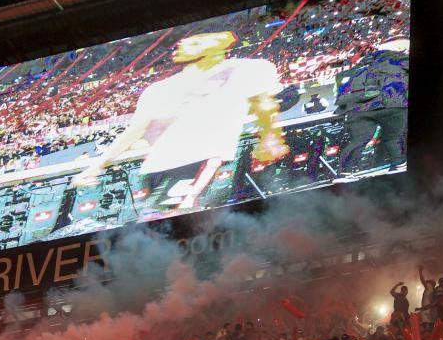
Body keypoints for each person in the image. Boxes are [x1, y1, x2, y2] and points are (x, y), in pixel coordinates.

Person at [72, 30, 288, 210]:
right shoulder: (159, 90)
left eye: (194, 39)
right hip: (155, 169)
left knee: (179, 220)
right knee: (164, 225)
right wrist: (97, 165)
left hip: (198, 161)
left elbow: (265, 104)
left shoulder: (245, 70)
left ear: (219, 44)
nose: (182, 43)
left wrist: (270, 135)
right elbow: (135, 130)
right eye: (182, 40)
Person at [334, 39, 409, 178]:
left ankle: (343, 174)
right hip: (391, 103)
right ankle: (398, 165)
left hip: (356, 108)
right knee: (393, 137)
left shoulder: (354, 70)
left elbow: (341, 91)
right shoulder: (398, 59)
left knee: (358, 141)